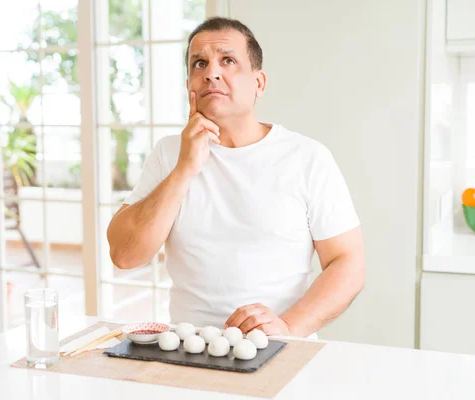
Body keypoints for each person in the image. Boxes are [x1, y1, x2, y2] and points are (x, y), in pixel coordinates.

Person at [106, 17, 365, 338]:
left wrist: (289, 325)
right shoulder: (168, 153)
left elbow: (348, 262)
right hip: (189, 349)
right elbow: (125, 255)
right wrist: (185, 168)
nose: (210, 72)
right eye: (199, 63)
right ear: (190, 84)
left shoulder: (307, 157)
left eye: (227, 60)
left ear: (259, 83)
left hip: (279, 347)